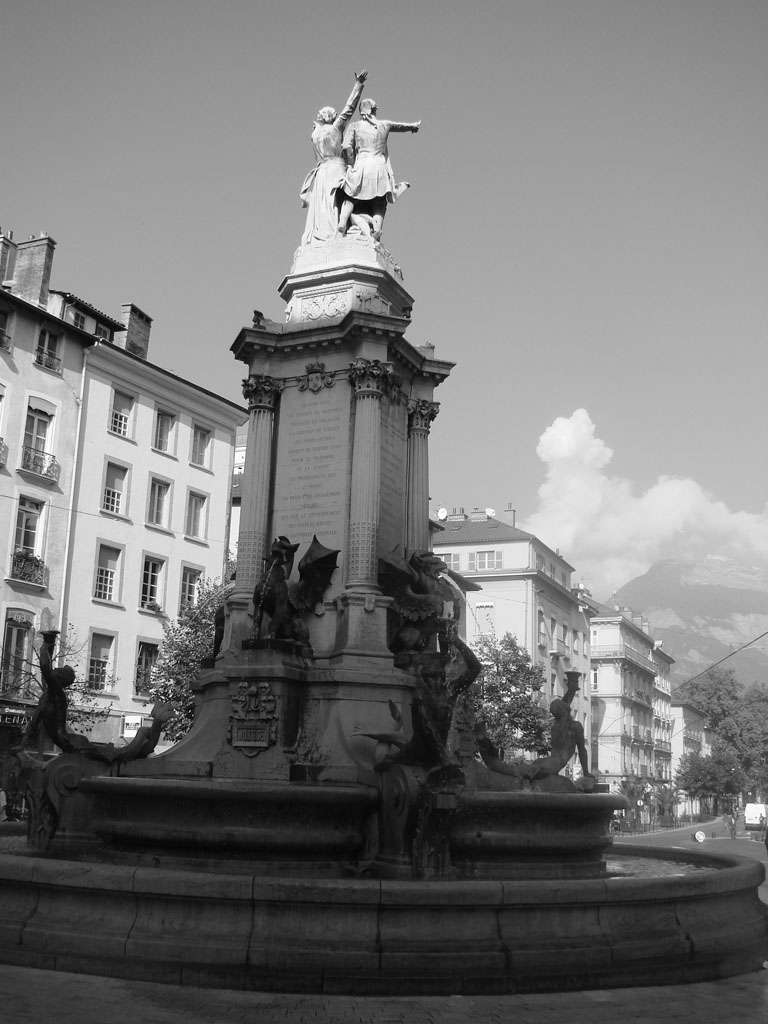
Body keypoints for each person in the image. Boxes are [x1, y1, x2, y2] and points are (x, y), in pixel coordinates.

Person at [299, 70, 368, 244]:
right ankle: (340, 230)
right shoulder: (335, 129)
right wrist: (358, 85)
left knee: (323, 206)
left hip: (321, 172)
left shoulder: (315, 134)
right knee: (345, 198)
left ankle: (324, 235)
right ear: (331, 117)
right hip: (336, 168)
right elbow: (349, 108)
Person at [338, 98, 420, 240]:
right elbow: (400, 126)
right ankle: (376, 230)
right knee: (379, 202)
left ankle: (342, 221)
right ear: (374, 109)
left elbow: (346, 146)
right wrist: (413, 126)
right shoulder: (384, 125)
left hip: (362, 165)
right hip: (379, 167)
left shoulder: (355, 126)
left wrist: (350, 163)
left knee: (350, 196)